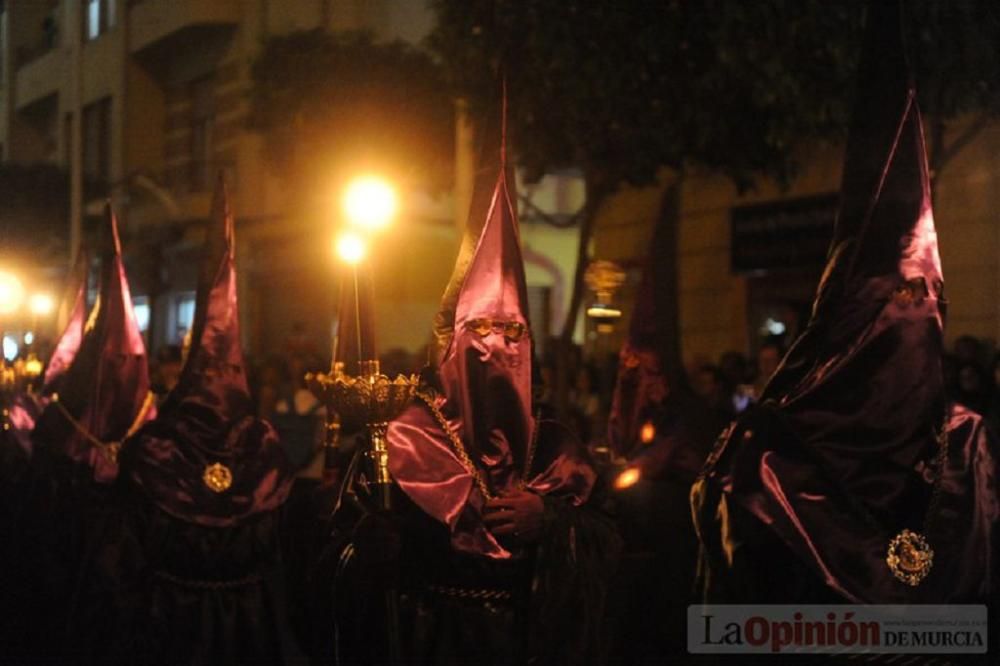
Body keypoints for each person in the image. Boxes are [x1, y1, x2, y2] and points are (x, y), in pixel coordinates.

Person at [693, 0, 1000, 623]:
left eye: (931, 299)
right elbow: (729, 613)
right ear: (846, 316)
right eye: (899, 298)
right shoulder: (770, 448)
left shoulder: (964, 436)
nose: (919, 316)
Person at [327, 97, 619, 665]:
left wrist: (554, 521)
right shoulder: (402, 438)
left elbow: (610, 546)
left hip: (524, 643)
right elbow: (338, 554)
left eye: (510, 331)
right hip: (429, 640)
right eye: (479, 330)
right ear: (451, 343)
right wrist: (375, 542)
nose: (494, 348)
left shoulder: (557, 448)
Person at [69, 178, 296, 663]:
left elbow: (118, 562)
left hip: (171, 622)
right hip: (238, 625)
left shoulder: (154, 446)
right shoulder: (261, 448)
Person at [24, 206, 153, 660]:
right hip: (63, 577)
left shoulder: (152, 424)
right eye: (113, 365)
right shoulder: (62, 421)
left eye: (130, 365)